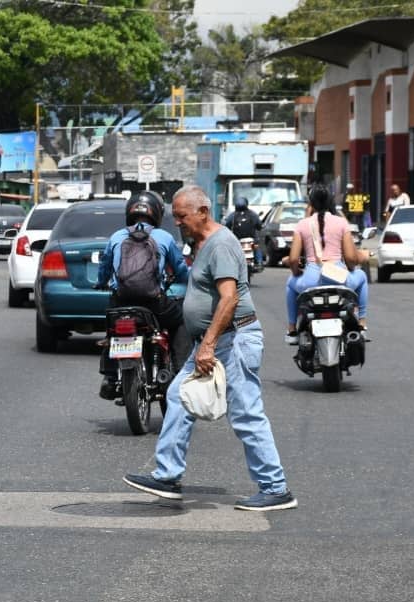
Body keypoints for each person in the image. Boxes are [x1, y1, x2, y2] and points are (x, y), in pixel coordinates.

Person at [122, 185, 297, 512]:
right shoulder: (200, 244)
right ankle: (168, 476)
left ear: (202, 212)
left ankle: (276, 488)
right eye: (174, 217)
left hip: (233, 340)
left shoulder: (221, 244)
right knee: (176, 396)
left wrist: (209, 345)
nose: (178, 223)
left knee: (246, 414)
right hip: (214, 340)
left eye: (182, 216)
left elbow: (229, 298)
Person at [95, 191, 190, 400]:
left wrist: (101, 282)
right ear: (156, 213)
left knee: (112, 331)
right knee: (180, 319)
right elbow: (180, 268)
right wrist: (190, 280)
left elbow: (104, 267)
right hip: (154, 302)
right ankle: (182, 370)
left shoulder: (117, 237)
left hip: (122, 301)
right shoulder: (165, 237)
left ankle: (110, 377)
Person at [283, 186, 370, 344]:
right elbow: (351, 258)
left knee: (290, 284)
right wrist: (359, 259)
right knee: (362, 277)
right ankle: (362, 324)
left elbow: (294, 259)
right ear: (330, 202)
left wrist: (296, 272)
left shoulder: (303, 224)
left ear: (311, 204)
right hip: (339, 279)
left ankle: (292, 329)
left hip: (309, 282)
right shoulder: (341, 223)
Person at [223, 196, 264, 269]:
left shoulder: (233, 215)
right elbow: (259, 226)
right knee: (256, 246)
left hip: (237, 240)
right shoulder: (252, 214)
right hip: (251, 239)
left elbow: (226, 226)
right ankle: (259, 262)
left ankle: (229, 263)